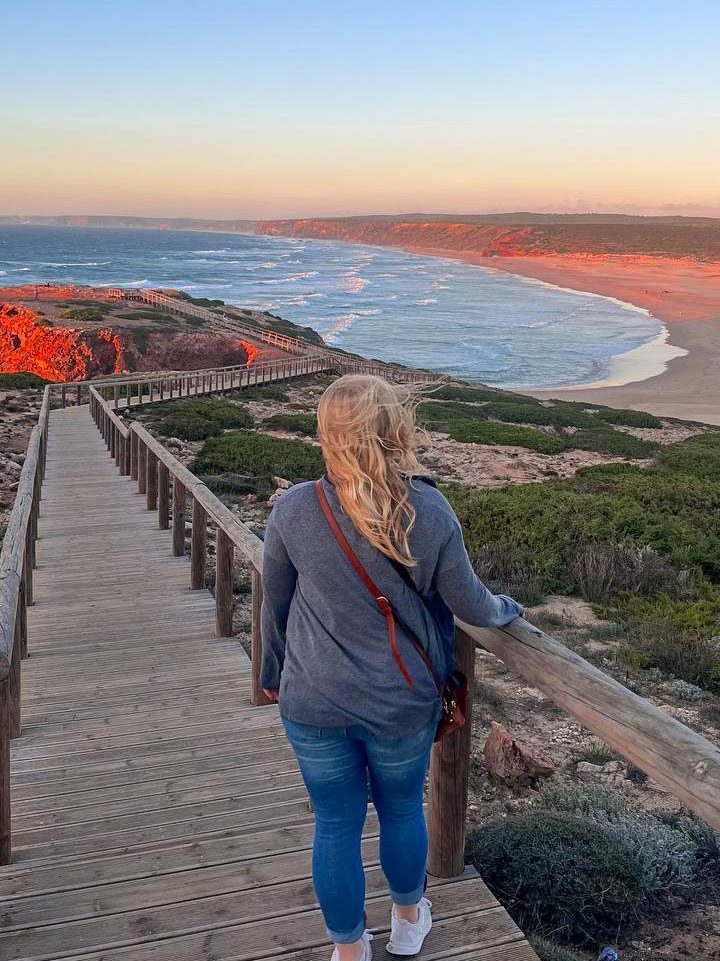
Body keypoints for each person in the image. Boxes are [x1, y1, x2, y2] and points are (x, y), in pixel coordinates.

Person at [261, 374, 523, 961]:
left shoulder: (295, 509)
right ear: (395, 429)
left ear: (326, 433)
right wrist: (510, 609)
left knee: (334, 826)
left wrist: (274, 676)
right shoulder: (428, 511)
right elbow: (473, 606)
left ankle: (349, 953)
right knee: (402, 809)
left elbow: (273, 605)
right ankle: (408, 926)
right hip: (399, 702)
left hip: (313, 701)